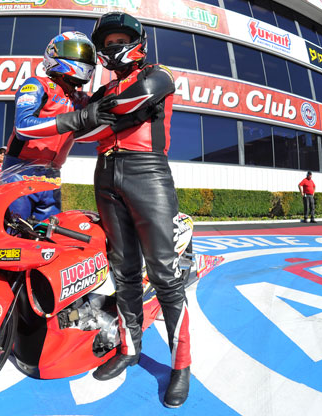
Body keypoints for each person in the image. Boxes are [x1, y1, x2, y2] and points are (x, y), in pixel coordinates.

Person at [77, 12, 190, 408]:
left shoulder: (160, 74)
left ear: (137, 41)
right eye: (107, 43)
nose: (113, 47)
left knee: (165, 274)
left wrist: (98, 114)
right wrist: (97, 115)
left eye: (119, 40)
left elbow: (132, 102)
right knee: (123, 272)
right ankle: (129, 348)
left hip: (148, 173)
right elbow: (82, 130)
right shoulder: (104, 88)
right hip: (105, 174)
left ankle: (181, 366)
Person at [3, 30, 116, 220]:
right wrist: (78, 118)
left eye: (85, 53)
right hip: (18, 172)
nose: (81, 58)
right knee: (12, 232)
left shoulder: (81, 99)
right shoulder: (37, 84)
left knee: (49, 234)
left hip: (52, 176)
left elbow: (92, 129)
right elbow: (23, 127)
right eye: (73, 51)